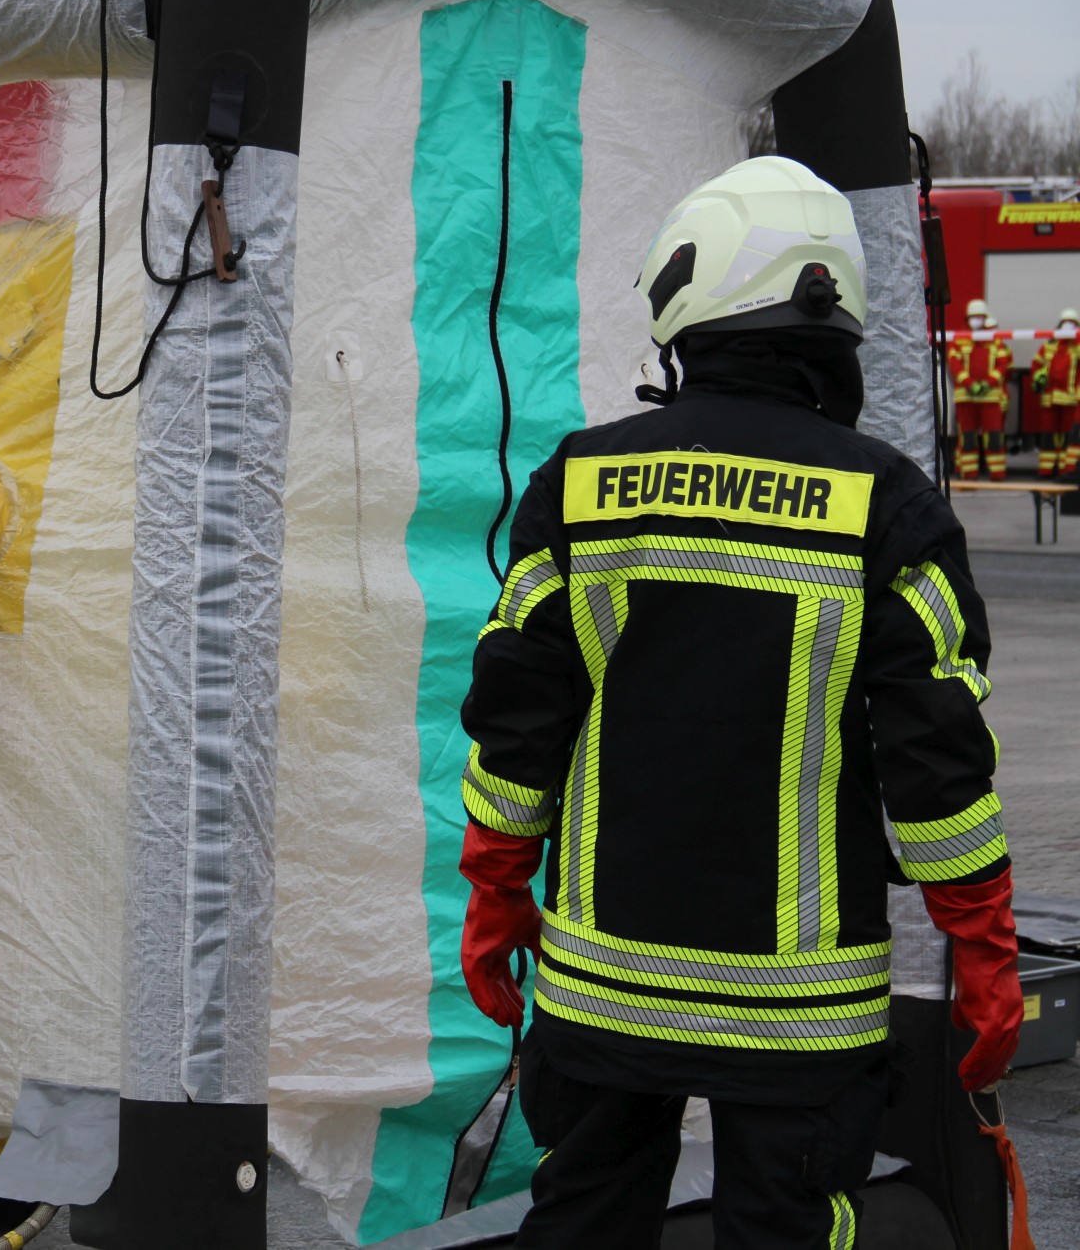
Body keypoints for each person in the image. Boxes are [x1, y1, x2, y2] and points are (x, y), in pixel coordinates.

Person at [455, 156, 1022, 1249]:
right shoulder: (887, 506)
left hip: (604, 991)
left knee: (581, 1226)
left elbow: (517, 722)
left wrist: (494, 892)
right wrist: (987, 957)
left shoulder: (579, 483)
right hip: (801, 1014)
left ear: (691, 303)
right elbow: (938, 767)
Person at [950, 299, 1013, 480]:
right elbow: (954, 363)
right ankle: (969, 473)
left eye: (980, 317)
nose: (976, 320)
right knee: (967, 437)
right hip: (966, 397)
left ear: (985, 318)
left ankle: (997, 472)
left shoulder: (995, 341)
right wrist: (969, 383)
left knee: (994, 436)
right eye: (973, 317)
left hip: (990, 397)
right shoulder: (959, 340)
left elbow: (1002, 364)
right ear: (967, 319)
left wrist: (988, 383)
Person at [1031, 308, 1080, 478]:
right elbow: (1037, 364)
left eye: (1072, 323)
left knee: (1068, 436)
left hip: (1070, 399)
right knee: (1048, 435)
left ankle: (1067, 469)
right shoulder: (1049, 345)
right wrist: (1038, 377)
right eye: (1065, 323)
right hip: (1049, 399)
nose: (1068, 326)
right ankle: (1046, 469)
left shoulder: (1078, 346)